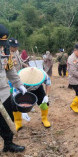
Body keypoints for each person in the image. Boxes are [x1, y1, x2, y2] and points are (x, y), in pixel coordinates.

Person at [0, 24, 26, 152]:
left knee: (8, 118)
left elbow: (10, 70)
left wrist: (19, 84)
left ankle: (8, 144)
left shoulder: (5, 50)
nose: (2, 45)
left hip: (3, 92)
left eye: (3, 42)